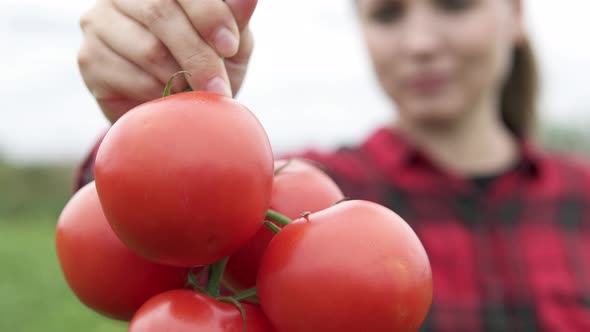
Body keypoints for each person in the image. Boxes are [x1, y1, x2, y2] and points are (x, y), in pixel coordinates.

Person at [75, 0, 590, 330]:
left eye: (454, 5)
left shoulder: (581, 196)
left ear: (517, 15)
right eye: (388, 15)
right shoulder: (306, 191)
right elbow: (159, 222)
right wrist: (151, 118)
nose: (421, 44)